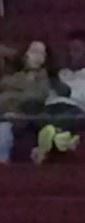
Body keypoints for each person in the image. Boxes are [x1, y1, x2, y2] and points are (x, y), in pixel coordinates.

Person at [33, 29, 85, 162]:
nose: (71, 54)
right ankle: (60, 139)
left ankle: (46, 145)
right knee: (35, 115)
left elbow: (65, 92)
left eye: (76, 50)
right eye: (69, 50)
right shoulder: (63, 73)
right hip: (49, 109)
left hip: (74, 110)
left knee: (64, 118)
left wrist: (52, 76)